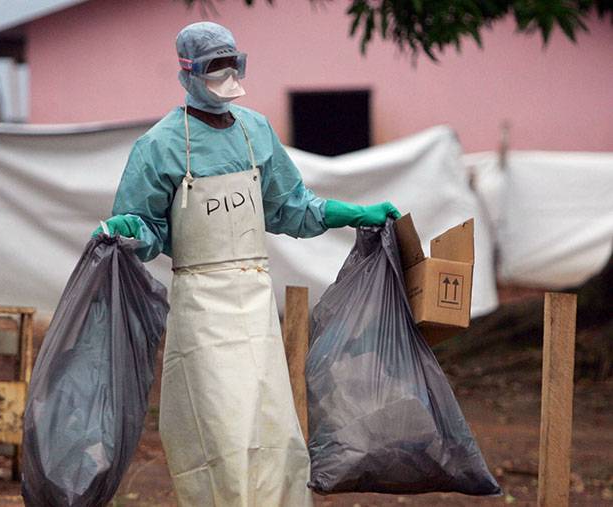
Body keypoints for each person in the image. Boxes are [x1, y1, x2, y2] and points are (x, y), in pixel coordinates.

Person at [94, 21, 400, 506]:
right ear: (187, 73)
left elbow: (291, 207)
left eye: (230, 63)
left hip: (255, 301)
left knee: (272, 423)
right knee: (220, 427)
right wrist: (131, 229)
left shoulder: (255, 131)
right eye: (212, 66)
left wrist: (351, 213)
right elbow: (149, 231)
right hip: (200, 305)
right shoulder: (159, 146)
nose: (224, 74)